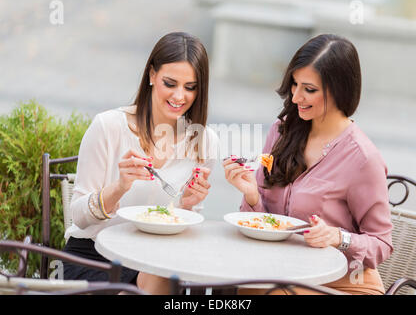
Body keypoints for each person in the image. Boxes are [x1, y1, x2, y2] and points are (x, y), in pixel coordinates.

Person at [223, 34, 393, 295]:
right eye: (294, 84)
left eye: (309, 89)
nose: (295, 97)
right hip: (283, 272)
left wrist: (339, 237)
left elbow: (381, 244)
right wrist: (252, 195)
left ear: (339, 91)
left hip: (344, 284)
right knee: (232, 285)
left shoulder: (363, 158)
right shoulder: (281, 132)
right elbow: (268, 220)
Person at [63, 32, 218, 294]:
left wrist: (188, 205)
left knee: (164, 267)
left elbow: (187, 225)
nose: (180, 96)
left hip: (153, 257)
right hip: (95, 255)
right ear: (151, 75)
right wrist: (119, 187)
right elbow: (78, 216)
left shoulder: (204, 141)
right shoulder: (109, 127)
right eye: (170, 83)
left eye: (190, 87)